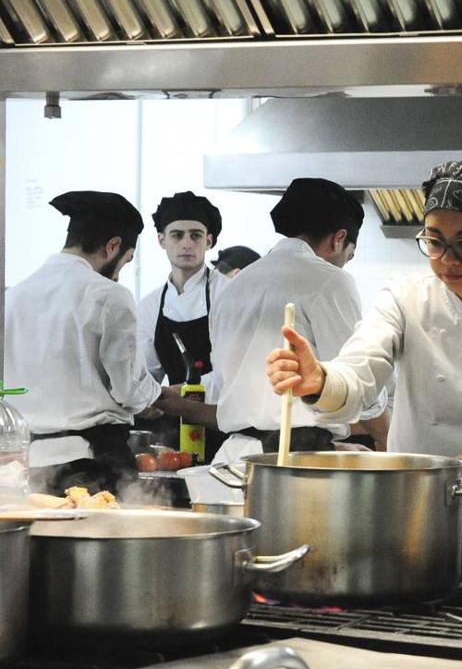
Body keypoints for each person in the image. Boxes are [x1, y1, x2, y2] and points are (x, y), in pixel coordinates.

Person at [266, 157, 462, 569]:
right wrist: (320, 380)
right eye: (434, 241)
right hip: (411, 519)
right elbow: (360, 372)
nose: (447, 260)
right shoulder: (404, 301)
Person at [4, 191, 170, 494]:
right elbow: (130, 390)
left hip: (24, 466)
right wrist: (155, 397)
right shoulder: (108, 295)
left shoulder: (11, 297)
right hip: (89, 465)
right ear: (113, 246)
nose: (119, 273)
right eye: (126, 261)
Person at [210, 178, 386, 463]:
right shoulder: (331, 281)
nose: (344, 263)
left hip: (230, 459)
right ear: (339, 238)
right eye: (348, 256)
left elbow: (223, 384)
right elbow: (355, 382)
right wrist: (385, 438)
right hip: (294, 465)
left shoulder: (232, 288)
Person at [136, 192, 229, 386]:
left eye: (196, 235)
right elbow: (146, 375)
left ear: (208, 241)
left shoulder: (227, 294)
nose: (187, 244)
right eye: (177, 235)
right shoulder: (149, 306)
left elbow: (234, 371)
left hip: (219, 412)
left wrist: (182, 392)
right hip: (172, 411)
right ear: (162, 240)